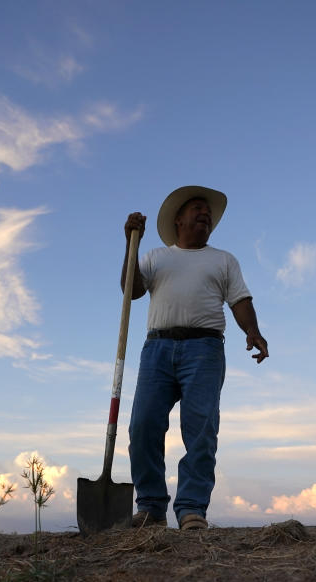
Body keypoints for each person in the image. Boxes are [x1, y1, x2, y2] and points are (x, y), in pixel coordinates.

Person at [122, 185, 268, 530]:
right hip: (157, 347)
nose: (206, 214)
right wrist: (132, 243)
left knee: (201, 428)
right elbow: (132, 289)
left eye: (209, 212)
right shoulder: (157, 256)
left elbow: (240, 300)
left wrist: (253, 331)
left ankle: (191, 509)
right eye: (198, 208)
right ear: (178, 219)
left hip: (204, 348)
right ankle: (151, 507)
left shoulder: (223, 259)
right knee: (143, 425)